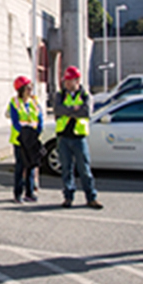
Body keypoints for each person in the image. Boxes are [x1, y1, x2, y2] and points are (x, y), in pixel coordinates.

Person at [55, 67, 102, 209]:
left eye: (70, 81)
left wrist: (68, 111)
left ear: (78, 80)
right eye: (66, 81)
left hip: (79, 137)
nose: (67, 84)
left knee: (84, 170)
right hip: (64, 137)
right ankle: (68, 197)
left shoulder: (85, 95)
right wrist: (74, 109)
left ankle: (91, 197)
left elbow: (86, 112)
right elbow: (58, 109)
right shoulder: (61, 95)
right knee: (66, 169)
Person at [7, 76, 42, 203]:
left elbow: (40, 117)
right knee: (20, 167)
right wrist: (25, 134)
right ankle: (18, 193)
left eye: (31, 87)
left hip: (32, 139)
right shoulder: (14, 102)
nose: (30, 90)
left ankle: (30, 192)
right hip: (20, 139)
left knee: (31, 166)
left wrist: (37, 131)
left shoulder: (34, 101)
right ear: (21, 89)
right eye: (27, 88)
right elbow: (15, 121)